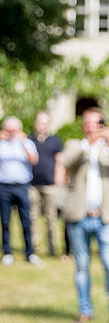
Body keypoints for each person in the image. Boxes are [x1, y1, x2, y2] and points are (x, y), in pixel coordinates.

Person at [61, 108, 109, 323]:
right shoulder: (75, 145)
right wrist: (89, 144)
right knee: (81, 267)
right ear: (83, 125)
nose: (93, 127)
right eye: (89, 123)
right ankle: (85, 310)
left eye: (97, 123)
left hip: (105, 217)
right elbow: (65, 161)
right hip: (79, 216)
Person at [0, 116, 41, 265]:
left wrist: (22, 142)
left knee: (26, 220)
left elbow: (34, 160)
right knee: (5, 221)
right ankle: (7, 252)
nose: (11, 133)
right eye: (9, 130)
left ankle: (30, 252)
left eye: (14, 130)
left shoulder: (27, 143)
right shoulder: (2, 144)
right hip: (4, 186)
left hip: (22, 186)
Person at [28, 112, 63, 258]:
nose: (41, 125)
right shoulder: (29, 140)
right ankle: (33, 246)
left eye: (44, 123)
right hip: (32, 184)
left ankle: (52, 247)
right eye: (39, 122)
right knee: (32, 217)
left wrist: (58, 180)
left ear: (48, 124)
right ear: (35, 123)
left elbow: (59, 161)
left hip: (50, 184)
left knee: (51, 217)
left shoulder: (55, 141)